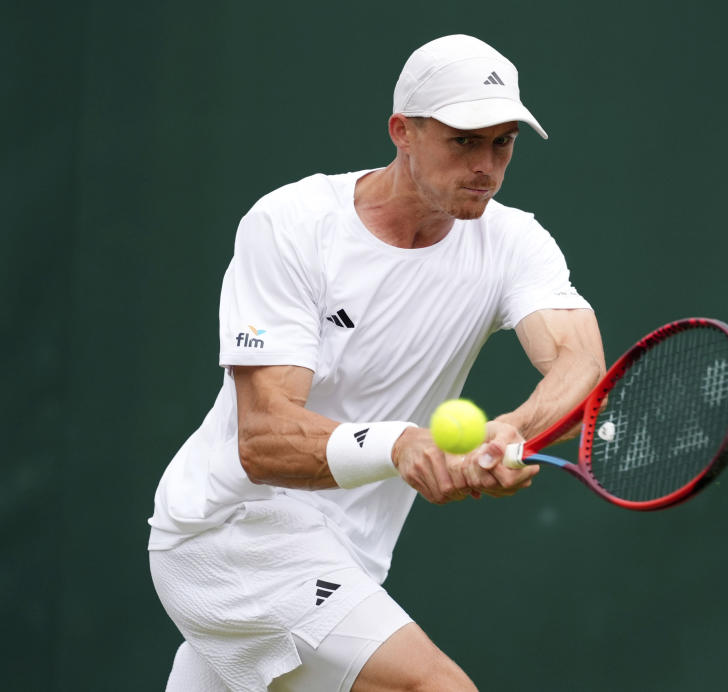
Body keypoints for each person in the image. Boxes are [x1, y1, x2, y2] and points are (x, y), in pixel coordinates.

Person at [147, 33, 605, 692]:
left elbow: (581, 365)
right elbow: (264, 438)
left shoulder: (513, 242)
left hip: (343, 556)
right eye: (463, 140)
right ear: (403, 132)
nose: (486, 164)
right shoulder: (291, 225)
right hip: (234, 527)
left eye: (502, 142)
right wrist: (397, 445)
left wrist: (515, 429)